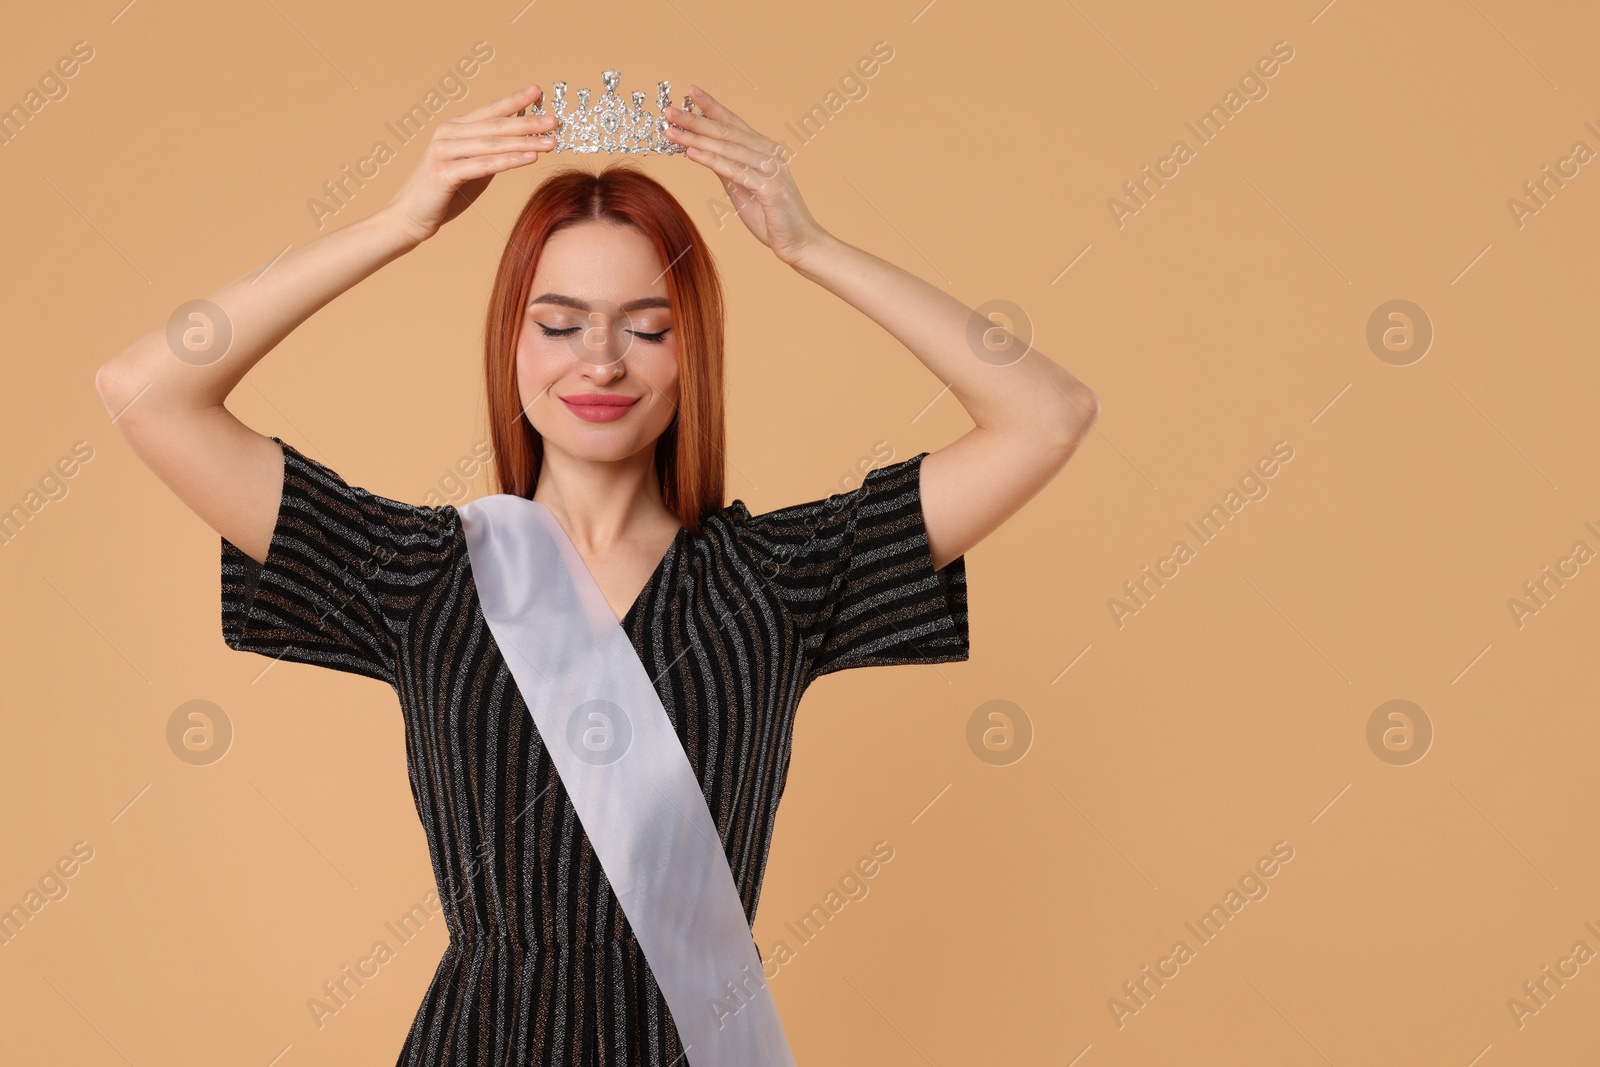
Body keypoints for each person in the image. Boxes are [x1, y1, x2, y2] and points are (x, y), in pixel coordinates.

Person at [95, 82, 1099, 1066]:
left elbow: (1046, 414)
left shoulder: (777, 579)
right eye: (559, 321)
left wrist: (811, 245)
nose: (602, 361)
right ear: (511, 341)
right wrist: (400, 223)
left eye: (648, 325)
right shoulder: (423, 575)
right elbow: (145, 391)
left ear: (689, 346)